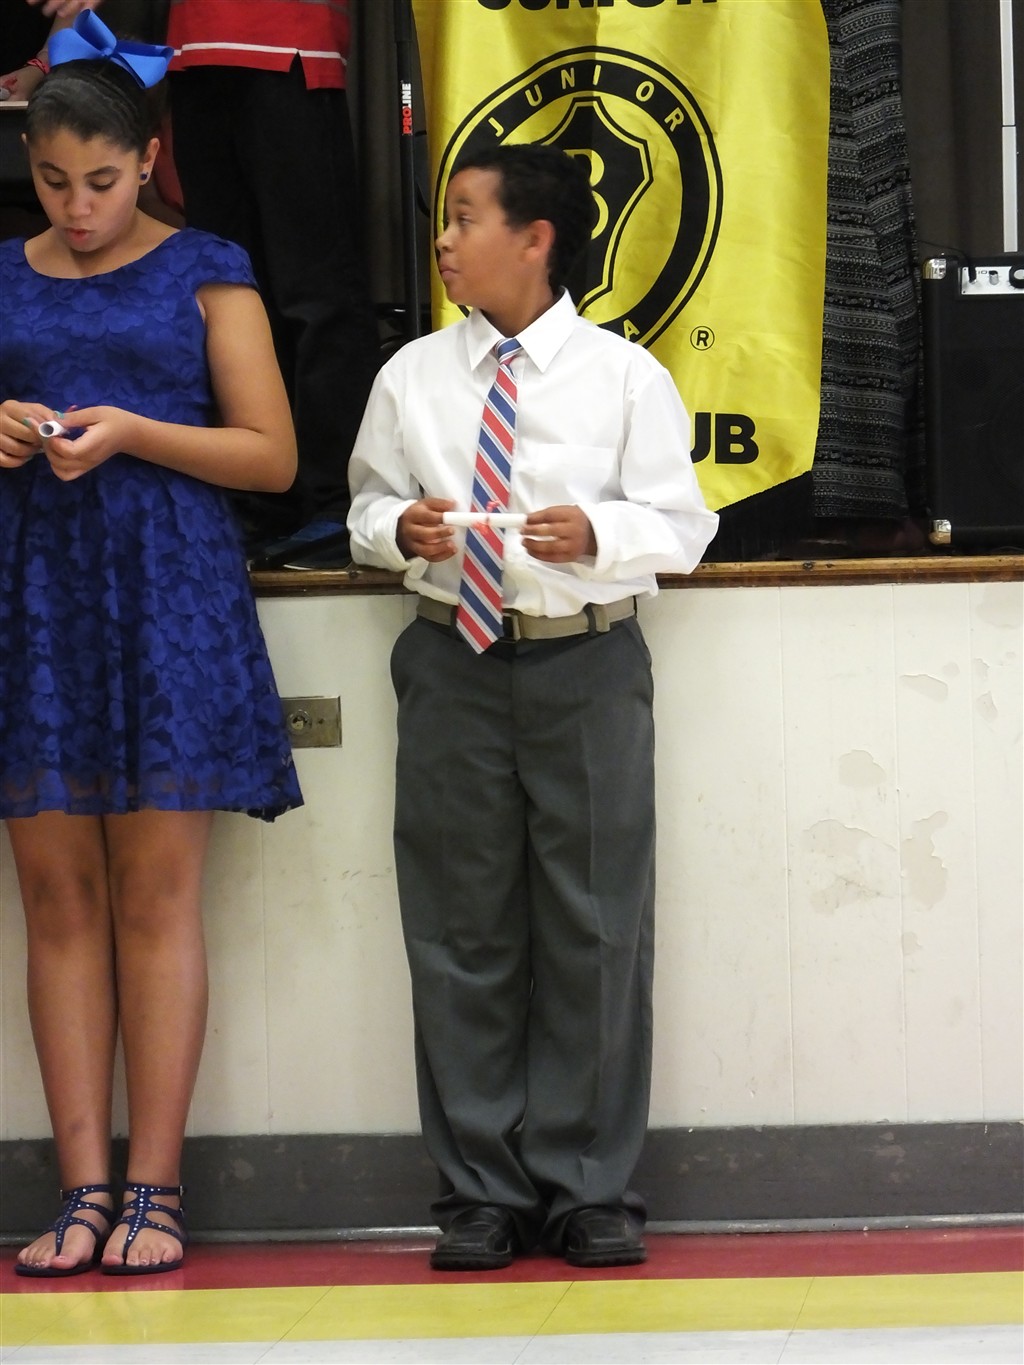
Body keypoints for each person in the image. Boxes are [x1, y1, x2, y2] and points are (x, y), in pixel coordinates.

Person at [347, 143, 719, 1270]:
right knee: (458, 927)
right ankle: (479, 1193)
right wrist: (398, 529)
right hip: (450, 659)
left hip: (584, 662)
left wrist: (598, 532)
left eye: (466, 218)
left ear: (535, 238)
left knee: (596, 925)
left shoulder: (624, 377)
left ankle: (588, 1188)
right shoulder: (412, 375)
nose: (444, 240)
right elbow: (364, 506)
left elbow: (683, 527)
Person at [0, 11, 303, 1277]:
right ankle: (79, 1188)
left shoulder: (209, 267)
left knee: (157, 897)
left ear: (149, 160)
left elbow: (271, 456)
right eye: (52, 182)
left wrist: (132, 430)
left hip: (167, 591)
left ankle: (155, 1190)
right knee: (57, 901)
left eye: (102, 181)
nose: (77, 209)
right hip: (34, 597)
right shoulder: (2, 273)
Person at [166, 0, 380, 569]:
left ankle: (337, 500)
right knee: (229, 292)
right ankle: (261, 498)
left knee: (315, 292)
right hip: (193, 52)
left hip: (285, 42)